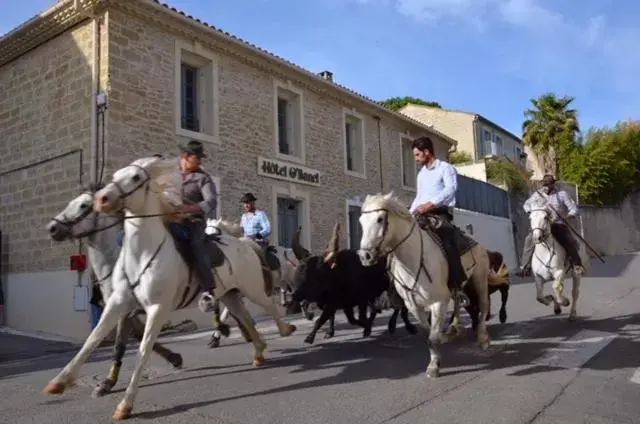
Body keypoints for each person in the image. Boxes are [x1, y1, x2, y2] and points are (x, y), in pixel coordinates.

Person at [408, 136, 469, 306]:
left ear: (427, 152)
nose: (416, 158)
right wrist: (410, 213)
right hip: (421, 214)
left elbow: (451, 189)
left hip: (440, 212)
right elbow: (419, 197)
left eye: (418, 155)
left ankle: (457, 286)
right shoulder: (421, 174)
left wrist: (431, 203)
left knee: (448, 239)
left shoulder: (445, 168)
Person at [171, 140, 220, 313]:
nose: (200, 161)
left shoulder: (203, 178)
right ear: (186, 156)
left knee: (196, 246)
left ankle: (208, 290)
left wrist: (189, 209)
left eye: (200, 157)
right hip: (169, 220)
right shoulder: (171, 173)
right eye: (197, 157)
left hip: (194, 223)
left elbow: (211, 202)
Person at [515, 174, 584, 277]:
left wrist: (566, 217)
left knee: (569, 240)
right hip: (541, 225)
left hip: (557, 224)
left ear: (553, 184)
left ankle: (577, 265)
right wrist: (534, 213)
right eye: (544, 184)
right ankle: (526, 267)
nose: (545, 187)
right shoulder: (537, 194)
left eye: (547, 184)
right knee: (529, 240)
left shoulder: (562, 194)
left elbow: (574, 209)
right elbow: (526, 205)